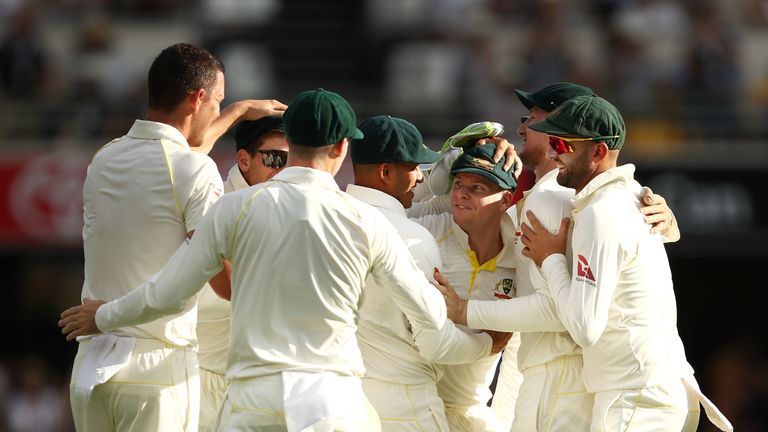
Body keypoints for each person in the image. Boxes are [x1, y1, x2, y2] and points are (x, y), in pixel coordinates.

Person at [59, 88, 449, 431]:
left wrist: (102, 316)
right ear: (341, 148)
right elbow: (428, 315)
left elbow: (168, 294)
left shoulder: (233, 208)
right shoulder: (367, 221)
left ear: (290, 139)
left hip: (251, 405)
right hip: (330, 403)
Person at [62, 42, 285, 432]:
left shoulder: (104, 157)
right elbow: (225, 283)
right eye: (217, 101)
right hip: (157, 368)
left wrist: (235, 111)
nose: (219, 109)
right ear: (197, 99)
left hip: (92, 366)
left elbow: (181, 157)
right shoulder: (194, 170)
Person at [435, 82, 683, 431]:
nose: (524, 129)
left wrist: (465, 310)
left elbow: (558, 311)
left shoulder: (555, 197)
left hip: (564, 379)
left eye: (538, 121)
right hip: (561, 375)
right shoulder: (589, 194)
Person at [520, 94, 732, 431]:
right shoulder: (631, 197)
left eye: (561, 143)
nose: (551, 152)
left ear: (599, 153)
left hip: (635, 400)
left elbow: (584, 328)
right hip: (654, 392)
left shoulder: (600, 212)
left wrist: (551, 259)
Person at [348, 115, 511, 431]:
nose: (420, 178)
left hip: (349, 400)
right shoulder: (416, 236)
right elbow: (435, 343)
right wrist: (489, 343)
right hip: (407, 405)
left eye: (477, 187)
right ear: (385, 171)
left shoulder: (325, 217)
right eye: (413, 167)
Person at [404, 142, 521, 432]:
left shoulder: (522, 258)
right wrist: (446, 160)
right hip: (412, 405)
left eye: (477, 187)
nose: (461, 194)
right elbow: (375, 211)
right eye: (458, 184)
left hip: (472, 413)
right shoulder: (427, 230)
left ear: (506, 201)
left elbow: (517, 358)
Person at [196, 115, 289, 432]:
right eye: (276, 158)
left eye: (294, 160)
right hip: (198, 379)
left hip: (256, 389)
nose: (285, 169)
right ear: (244, 160)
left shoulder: (289, 209)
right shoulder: (211, 205)